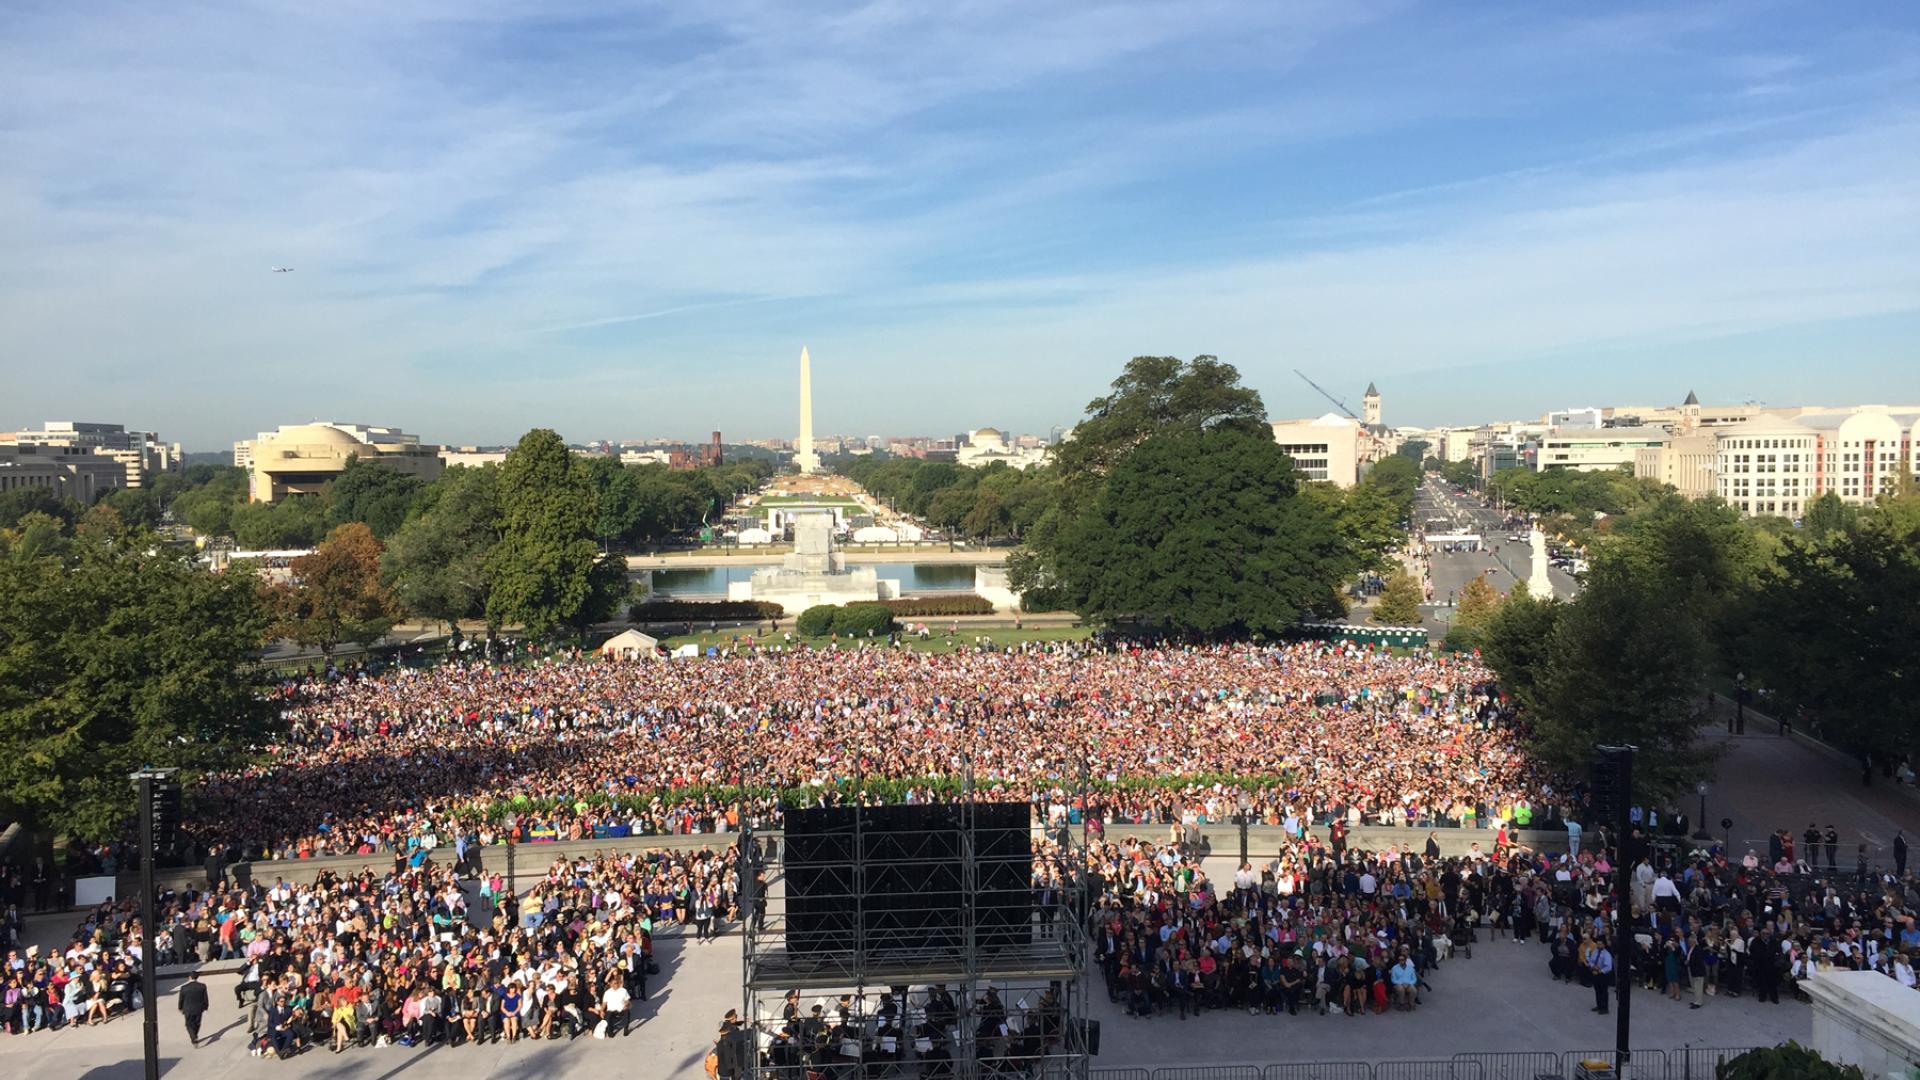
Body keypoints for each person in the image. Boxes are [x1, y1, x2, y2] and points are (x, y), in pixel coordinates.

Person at [178, 971, 209, 1047]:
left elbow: (181, 999)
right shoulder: (202, 986)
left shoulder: (184, 988)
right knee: (197, 1023)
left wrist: (180, 1007)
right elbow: (205, 998)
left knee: (189, 1024)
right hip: (199, 1008)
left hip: (188, 1009)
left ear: (189, 977)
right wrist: (206, 1006)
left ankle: (193, 1037)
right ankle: (195, 1035)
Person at [1590, 942, 1613, 1014]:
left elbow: (1608, 966)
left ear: (1604, 945)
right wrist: (1593, 966)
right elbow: (1591, 960)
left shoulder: (1607, 954)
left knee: (1603, 991)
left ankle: (1605, 1008)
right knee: (1597, 990)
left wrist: (1600, 971)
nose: (1598, 945)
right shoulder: (1595, 951)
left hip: (1603, 974)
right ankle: (1599, 1005)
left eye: (1600, 944)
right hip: (1595, 972)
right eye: (1598, 944)